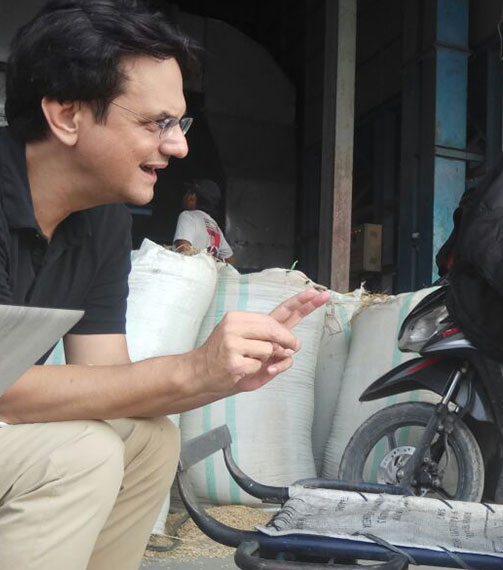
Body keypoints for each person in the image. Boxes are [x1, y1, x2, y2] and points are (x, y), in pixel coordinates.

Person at [0, 2, 329, 570]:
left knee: (149, 440)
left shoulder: (98, 215)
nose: (178, 147)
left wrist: (221, 375)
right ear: (67, 115)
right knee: (81, 454)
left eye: (180, 123)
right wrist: (189, 369)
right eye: (158, 123)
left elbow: (105, 382)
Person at [174, 179, 236, 264]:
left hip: (191, 275)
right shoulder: (214, 225)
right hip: (206, 276)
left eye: (188, 192)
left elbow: (183, 250)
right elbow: (231, 261)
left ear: (192, 197)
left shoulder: (188, 216)